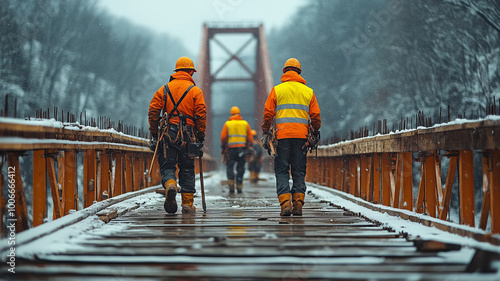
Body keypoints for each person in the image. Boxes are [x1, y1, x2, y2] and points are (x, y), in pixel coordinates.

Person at [261, 58, 321, 216]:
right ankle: (298, 204)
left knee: (281, 170)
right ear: (299, 72)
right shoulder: (308, 92)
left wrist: (266, 131)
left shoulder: (277, 90)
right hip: (302, 139)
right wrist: (315, 132)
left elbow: (268, 113)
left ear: (284, 72)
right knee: (299, 171)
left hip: (281, 138)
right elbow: (315, 116)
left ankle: (285, 203)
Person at [148, 56, 206, 214]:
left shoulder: (163, 90)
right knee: (187, 168)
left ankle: (171, 185)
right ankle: (187, 204)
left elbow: (153, 111)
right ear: (190, 72)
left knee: (168, 166)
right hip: (189, 135)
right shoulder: (195, 91)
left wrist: (154, 133)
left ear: (176, 71)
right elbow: (201, 115)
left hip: (168, 135)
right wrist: (200, 135)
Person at [220, 106, 252, 193]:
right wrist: (248, 146)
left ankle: (231, 183)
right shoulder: (245, 124)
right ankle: (239, 183)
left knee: (230, 166)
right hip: (242, 149)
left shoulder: (227, 124)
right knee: (241, 166)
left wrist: (223, 146)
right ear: (239, 113)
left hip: (230, 149)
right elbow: (250, 137)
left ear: (231, 114)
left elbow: (223, 137)